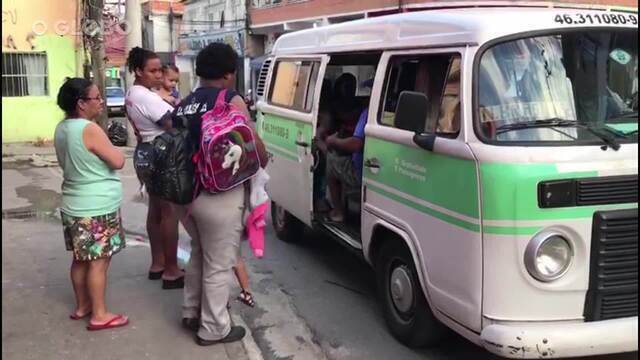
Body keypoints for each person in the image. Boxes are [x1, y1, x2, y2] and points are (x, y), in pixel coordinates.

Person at [172, 43, 268, 346]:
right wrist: (263, 160)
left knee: (200, 252)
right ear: (229, 73)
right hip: (218, 195)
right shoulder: (230, 99)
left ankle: (191, 311)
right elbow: (252, 145)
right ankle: (214, 328)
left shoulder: (184, 103)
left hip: (184, 194)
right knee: (219, 263)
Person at [54, 77, 129, 331]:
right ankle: (99, 313)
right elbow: (118, 161)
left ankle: (82, 305)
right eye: (96, 97)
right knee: (99, 261)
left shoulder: (62, 128)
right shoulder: (89, 129)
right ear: (81, 104)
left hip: (73, 202)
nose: (101, 102)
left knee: (80, 259)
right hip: (96, 206)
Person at [125, 47, 183, 289]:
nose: (159, 75)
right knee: (169, 212)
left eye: (160, 69)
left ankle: (158, 263)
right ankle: (171, 270)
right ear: (138, 71)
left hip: (146, 152)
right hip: (161, 153)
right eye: (153, 70)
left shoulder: (134, 93)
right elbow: (173, 123)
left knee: (156, 210)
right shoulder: (145, 96)